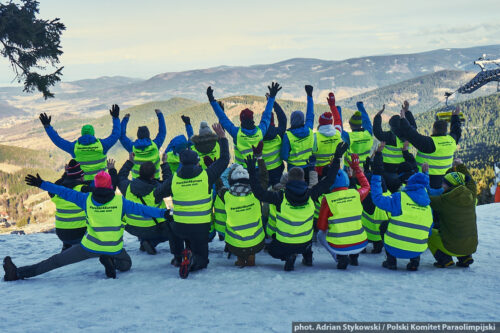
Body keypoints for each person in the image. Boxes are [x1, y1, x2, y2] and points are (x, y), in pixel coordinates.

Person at [3, 171, 169, 281]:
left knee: (56, 261)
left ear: (95, 186)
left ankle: (17, 273)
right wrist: (164, 214)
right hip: (113, 248)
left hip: (90, 246)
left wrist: (42, 184)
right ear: (110, 185)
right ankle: (109, 260)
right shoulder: (121, 202)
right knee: (126, 265)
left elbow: (63, 191)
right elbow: (144, 210)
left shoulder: (85, 199)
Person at [247, 142, 349, 271]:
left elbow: (259, 193)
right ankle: (307, 256)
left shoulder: (280, 197)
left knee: (272, 250)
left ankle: (289, 256)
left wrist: (251, 172)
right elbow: (329, 180)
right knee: (306, 240)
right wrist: (337, 157)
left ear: (288, 180)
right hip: (304, 243)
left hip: (284, 244)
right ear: (303, 180)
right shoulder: (311, 194)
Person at [163, 123, 230, 278]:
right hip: (201, 229)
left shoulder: (174, 179)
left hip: (180, 227)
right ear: (197, 163)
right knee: (203, 260)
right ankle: (193, 260)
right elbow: (225, 158)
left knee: (169, 218)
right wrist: (222, 137)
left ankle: (179, 256)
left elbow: (157, 193)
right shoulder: (206, 176)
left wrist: (164, 165)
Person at [371, 147, 433, 271]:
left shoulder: (399, 198)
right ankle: (415, 261)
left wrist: (376, 177)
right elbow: (429, 231)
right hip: (418, 248)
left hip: (395, 247)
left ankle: (391, 261)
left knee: (384, 225)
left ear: (409, 183)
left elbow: (378, 199)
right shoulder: (427, 205)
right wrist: (425, 174)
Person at [115, 151, 181, 259]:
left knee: (145, 226)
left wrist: (130, 162)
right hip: (153, 228)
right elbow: (169, 183)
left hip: (132, 227)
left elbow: (121, 177)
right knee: (173, 227)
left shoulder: (127, 187)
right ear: (153, 175)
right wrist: (165, 163)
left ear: (139, 173)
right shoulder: (156, 190)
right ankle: (152, 242)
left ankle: (144, 240)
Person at [38, 105, 121, 181]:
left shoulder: (74, 147)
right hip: (102, 182)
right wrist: (115, 118)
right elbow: (116, 134)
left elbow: (58, 141)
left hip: (83, 183)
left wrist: (47, 126)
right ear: (93, 134)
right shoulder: (102, 145)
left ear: (82, 134)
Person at [316, 154, 370, 269]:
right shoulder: (356, 194)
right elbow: (366, 186)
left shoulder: (328, 200)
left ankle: (339, 257)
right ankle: (354, 256)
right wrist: (357, 168)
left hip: (339, 246)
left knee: (320, 235)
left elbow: (322, 226)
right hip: (361, 243)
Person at [207, 82, 281, 167]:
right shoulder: (260, 132)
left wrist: (212, 100)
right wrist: (271, 97)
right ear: (252, 119)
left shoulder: (237, 133)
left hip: (241, 171)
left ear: (241, 120)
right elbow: (267, 115)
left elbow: (223, 119)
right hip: (256, 169)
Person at [395, 106, 461, 189]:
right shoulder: (452, 140)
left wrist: (403, 118)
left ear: (434, 129)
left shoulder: (429, 143)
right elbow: (457, 130)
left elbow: (411, 134)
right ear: (445, 130)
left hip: (425, 177)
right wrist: (455, 116)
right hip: (445, 179)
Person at [427, 160, 478, 268]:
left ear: (450, 185)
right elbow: (470, 181)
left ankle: (444, 260)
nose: (442, 185)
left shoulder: (443, 200)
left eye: (444, 183)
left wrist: (424, 175)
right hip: (471, 246)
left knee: (428, 234)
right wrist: (460, 166)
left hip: (452, 247)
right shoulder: (471, 194)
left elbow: (425, 199)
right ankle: (466, 257)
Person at [219, 164, 265, 267]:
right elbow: (264, 179)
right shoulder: (256, 194)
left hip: (234, 246)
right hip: (257, 244)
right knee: (252, 238)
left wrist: (216, 171)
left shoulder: (227, 196)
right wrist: (259, 160)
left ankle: (240, 259)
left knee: (237, 240)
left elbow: (219, 185)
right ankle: (251, 258)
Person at [48, 159, 92, 252]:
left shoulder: (56, 191)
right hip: (79, 234)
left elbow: (57, 184)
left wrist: (66, 174)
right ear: (81, 177)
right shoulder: (83, 190)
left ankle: (66, 246)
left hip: (61, 234)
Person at [119, 109, 166, 179]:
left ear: (138, 136)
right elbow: (162, 132)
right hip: (155, 181)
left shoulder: (132, 147)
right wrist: (160, 115)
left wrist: (125, 119)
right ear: (148, 135)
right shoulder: (155, 145)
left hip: (137, 182)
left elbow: (121, 135)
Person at [373, 101, 417, 174]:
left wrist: (378, 115)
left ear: (391, 126)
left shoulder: (387, 137)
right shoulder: (409, 136)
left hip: (386, 167)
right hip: (402, 166)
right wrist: (406, 112)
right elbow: (414, 127)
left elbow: (377, 131)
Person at [281, 85, 315, 173]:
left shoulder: (287, 136)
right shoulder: (309, 129)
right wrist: (310, 96)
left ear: (291, 121)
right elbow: (310, 115)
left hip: (294, 169)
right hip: (308, 167)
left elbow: (284, 156)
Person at [314, 92, 343, 177]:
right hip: (335, 170)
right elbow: (338, 120)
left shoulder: (315, 137)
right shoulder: (337, 133)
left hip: (319, 173)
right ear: (331, 123)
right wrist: (332, 106)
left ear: (320, 123)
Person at [262, 96, 287, 186]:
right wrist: (273, 103)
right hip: (277, 170)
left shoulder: (258, 135)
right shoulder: (278, 133)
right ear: (273, 121)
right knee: (278, 192)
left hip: (262, 170)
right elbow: (283, 119)